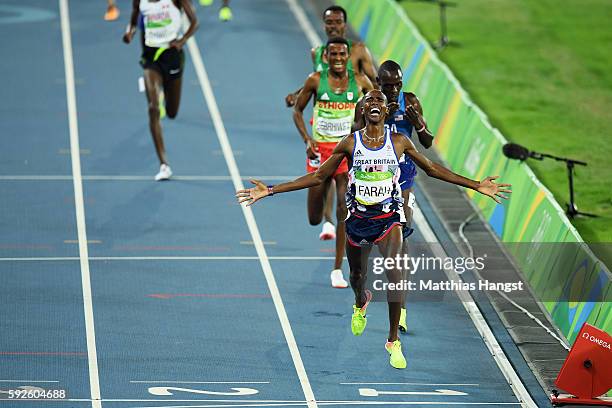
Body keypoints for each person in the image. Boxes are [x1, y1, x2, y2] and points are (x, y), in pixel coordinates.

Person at [237, 90, 510, 369]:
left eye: (379, 101)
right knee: (357, 276)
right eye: (369, 101)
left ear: (387, 111)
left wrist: (477, 186)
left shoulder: (399, 142)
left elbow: (432, 169)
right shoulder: (350, 143)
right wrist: (270, 190)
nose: (375, 104)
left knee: (395, 272)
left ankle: (393, 341)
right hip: (357, 220)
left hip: (388, 218)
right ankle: (360, 300)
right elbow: (319, 176)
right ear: (363, 111)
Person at [352, 60, 434, 332]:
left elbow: (428, 142)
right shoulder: (370, 104)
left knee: (403, 242)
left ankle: (402, 309)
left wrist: (418, 124)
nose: (394, 89)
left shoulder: (410, 101)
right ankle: (361, 294)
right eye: (388, 85)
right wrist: (385, 116)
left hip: (404, 182)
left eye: (398, 84)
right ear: (378, 83)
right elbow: (354, 135)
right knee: (364, 248)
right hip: (374, 182)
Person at [293, 37, 374, 288]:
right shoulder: (315, 81)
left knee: (344, 208)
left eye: (342, 54)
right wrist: (307, 139)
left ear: (347, 56)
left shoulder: (360, 82)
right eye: (334, 55)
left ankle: (338, 268)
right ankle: (323, 201)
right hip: (320, 153)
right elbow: (297, 111)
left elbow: (374, 107)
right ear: (326, 57)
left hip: (345, 153)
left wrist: (363, 131)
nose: (339, 59)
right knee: (314, 218)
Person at [123, 0, 198, 181]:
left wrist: (182, 40)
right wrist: (130, 33)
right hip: (151, 58)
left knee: (171, 112)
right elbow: (134, 20)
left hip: (172, 56)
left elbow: (194, 22)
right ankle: (164, 164)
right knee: (153, 109)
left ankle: (161, 90)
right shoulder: (140, 1)